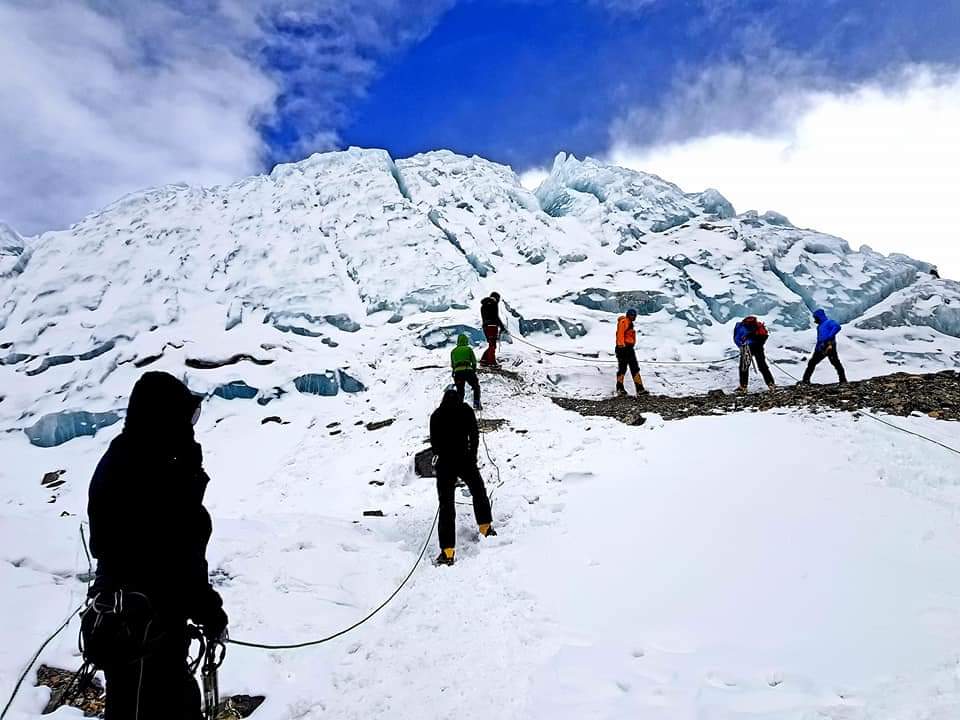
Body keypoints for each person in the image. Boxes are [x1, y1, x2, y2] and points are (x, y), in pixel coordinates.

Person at [87, 372, 227, 720]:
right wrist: (210, 614)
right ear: (165, 418)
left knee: (129, 706)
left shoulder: (123, 459)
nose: (191, 426)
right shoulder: (158, 473)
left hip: (125, 628)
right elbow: (179, 560)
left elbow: (108, 546)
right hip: (150, 632)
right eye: (186, 416)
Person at [430, 387, 496, 566]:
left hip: (445, 464)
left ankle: (448, 551)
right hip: (464, 459)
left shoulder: (436, 415)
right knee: (478, 491)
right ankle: (485, 528)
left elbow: (434, 444)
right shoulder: (465, 410)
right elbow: (474, 435)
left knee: (446, 506)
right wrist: (472, 457)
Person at [802, 309, 847, 384]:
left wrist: (829, 337)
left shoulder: (829, 322)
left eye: (815, 318)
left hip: (829, 345)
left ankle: (805, 380)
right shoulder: (820, 326)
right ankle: (843, 380)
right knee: (835, 363)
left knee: (814, 363)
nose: (815, 320)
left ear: (819, 317)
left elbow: (837, 327)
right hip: (822, 346)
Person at [733, 316, 775, 392]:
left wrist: (741, 346)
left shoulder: (740, 326)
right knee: (762, 366)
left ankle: (743, 387)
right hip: (758, 346)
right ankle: (771, 384)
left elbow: (736, 338)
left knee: (744, 367)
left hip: (747, 347)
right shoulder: (757, 325)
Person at [615, 308, 646, 396]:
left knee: (633, 367)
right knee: (623, 368)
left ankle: (639, 388)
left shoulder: (629, 322)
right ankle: (620, 388)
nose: (634, 317)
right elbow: (620, 333)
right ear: (629, 315)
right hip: (623, 348)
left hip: (628, 348)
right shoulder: (624, 321)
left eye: (635, 315)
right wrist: (621, 345)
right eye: (632, 315)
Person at [451, 333, 481, 410]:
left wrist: (454, 372)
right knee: (476, 387)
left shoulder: (453, 351)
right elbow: (474, 361)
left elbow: (453, 365)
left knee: (460, 391)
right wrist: (473, 370)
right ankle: (476, 403)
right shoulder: (468, 349)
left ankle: (459, 407)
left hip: (458, 372)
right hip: (468, 370)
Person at [479, 292, 506, 366]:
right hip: (492, 326)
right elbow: (496, 317)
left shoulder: (484, 305)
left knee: (491, 344)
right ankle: (492, 363)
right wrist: (502, 327)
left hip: (486, 326)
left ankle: (484, 360)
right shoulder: (494, 303)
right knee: (492, 345)